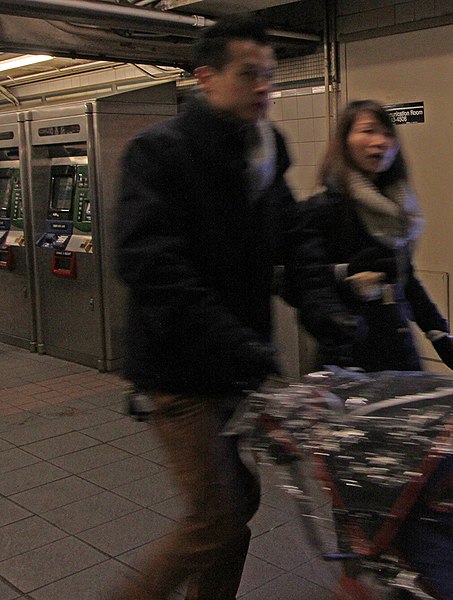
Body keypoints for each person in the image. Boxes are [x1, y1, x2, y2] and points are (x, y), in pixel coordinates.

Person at [109, 13, 294, 600]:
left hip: (234, 367)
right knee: (214, 516)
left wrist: (324, 306)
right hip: (178, 370)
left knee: (237, 507)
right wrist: (238, 342)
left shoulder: (266, 151)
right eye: (248, 75)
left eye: (269, 75)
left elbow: (292, 243)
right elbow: (150, 264)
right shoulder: (159, 152)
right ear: (206, 77)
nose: (262, 87)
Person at [291, 99, 453, 373]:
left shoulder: (396, 210)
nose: (380, 141)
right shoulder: (322, 209)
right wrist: (347, 276)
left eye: (387, 133)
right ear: (344, 141)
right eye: (368, 131)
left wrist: (437, 331)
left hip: (398, 346)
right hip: (347, 355)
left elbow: (404, 276)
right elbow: (301, 280)